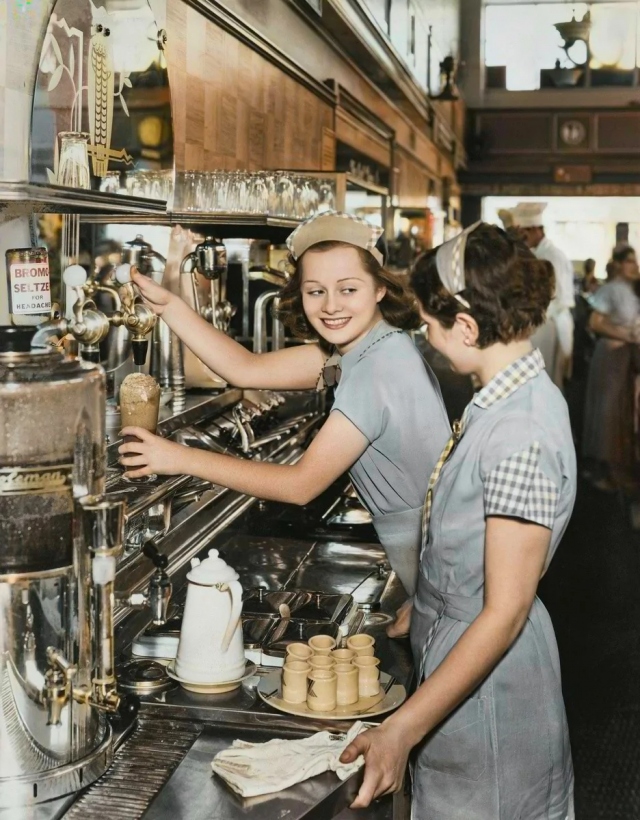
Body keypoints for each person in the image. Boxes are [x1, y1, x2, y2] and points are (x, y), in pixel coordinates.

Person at [340, 223, 576, 820]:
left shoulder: (520, 432)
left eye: (430, 322)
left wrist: (401, 730)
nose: (426, 334)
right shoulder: (500, 396)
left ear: (467, 327)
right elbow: (474, 540)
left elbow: (505, 612)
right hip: (458, 654)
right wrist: (433, 602)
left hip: (492, 691)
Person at [119, 211, 451, 635]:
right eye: (316, 291)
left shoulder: (374, 371)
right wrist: (171, 306)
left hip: (447, 586)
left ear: (381, 287)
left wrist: (178, 457)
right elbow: (247, 369)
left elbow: (299, 486)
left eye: (348, 289)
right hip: (434, 579)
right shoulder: (372, 346)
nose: (331, 306)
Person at [582, 244, 640, 492]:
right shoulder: (611, 290)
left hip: (626, 355)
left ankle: (617, 468)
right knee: (609, 409)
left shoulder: (631, 290)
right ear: (617, 264)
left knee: (622, 411)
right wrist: (626, 335)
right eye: (629, 261)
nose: (634, 266)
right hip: (611, 355)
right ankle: (605, 469)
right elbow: (595, 322)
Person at [513, 202, 575, 389]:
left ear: (534, 230)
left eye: (523, 234)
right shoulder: (538, 253)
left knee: (546, 381)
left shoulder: (551, 256)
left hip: (551, 322)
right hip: (543, 321)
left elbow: (557, 297)